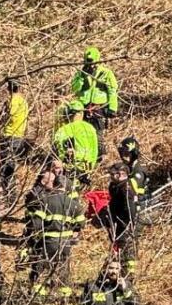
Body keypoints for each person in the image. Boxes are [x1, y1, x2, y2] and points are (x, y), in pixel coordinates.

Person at [24, 164, 82, 299]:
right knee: (64, 272)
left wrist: (32, 239)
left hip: (48, 242)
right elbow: (80, 222)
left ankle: (38, 301)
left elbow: (36, 224)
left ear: (54, 185)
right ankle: (64, 301)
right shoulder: (73, 204)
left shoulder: (45, 201)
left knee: (41, 270)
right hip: (65, 243)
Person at [70, 47, 119, 157]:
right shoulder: (80, 73)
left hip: (99, 107)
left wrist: (112, 108)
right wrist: (82, 77)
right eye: (88, 62)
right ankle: (82, 154)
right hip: (82, 107)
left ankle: (100, 155)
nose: (90, 65)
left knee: (97, 133)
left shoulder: (106, 73)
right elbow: (75, 89)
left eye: (91, 62)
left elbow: (112, 90)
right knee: (80, 132)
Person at [104, 161, 140, 292]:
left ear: (120, 175)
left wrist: (125, 227)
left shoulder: (126, 189)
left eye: (113, 175)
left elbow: (130, 211)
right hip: (118, 226)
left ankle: (128, 281)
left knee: (127, 256)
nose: (110, 177)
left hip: (125, 228)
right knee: (119, 254)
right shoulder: (116, 187)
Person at [53, 105, 99, 187]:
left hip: (71, 165)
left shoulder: (65, 129)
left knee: (68, 188)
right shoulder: (90, 128)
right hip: (88, 165)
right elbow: (96, 148)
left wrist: (62, 163)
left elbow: (59, 147)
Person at [0, 78, 30, 191]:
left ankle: (6, 189)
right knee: (11, 164)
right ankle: (9, 189)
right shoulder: (24, 102)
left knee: (5, 166)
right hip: (19, 135)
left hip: (9, 135)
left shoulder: (11, 101)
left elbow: (9, 116)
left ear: (8, 88)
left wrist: (3, 114)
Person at [117, 136, 148, 201]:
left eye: (126, 154)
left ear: (133, 154)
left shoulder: (139, 169)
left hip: (140, 202)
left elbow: (132, 189)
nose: (123, 157)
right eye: (121, 153)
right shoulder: (128, 167)